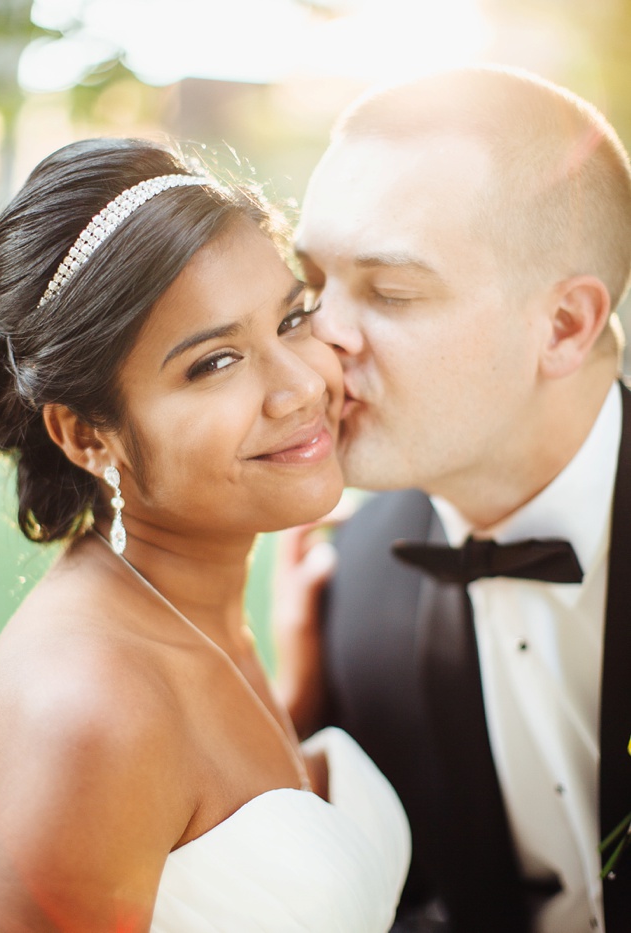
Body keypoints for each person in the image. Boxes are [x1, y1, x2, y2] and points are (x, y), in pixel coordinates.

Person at [0, 137, 410, 932]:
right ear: (87, 435)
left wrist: (302, 696)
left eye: (292, 319)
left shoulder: (191, 606)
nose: (300, 386)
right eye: (215, 362)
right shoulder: (79, 713)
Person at [278, 66, 631, 933]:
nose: (322, 335)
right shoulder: (349, 584)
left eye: (391, 291)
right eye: (310, 283)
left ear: (563, 326)